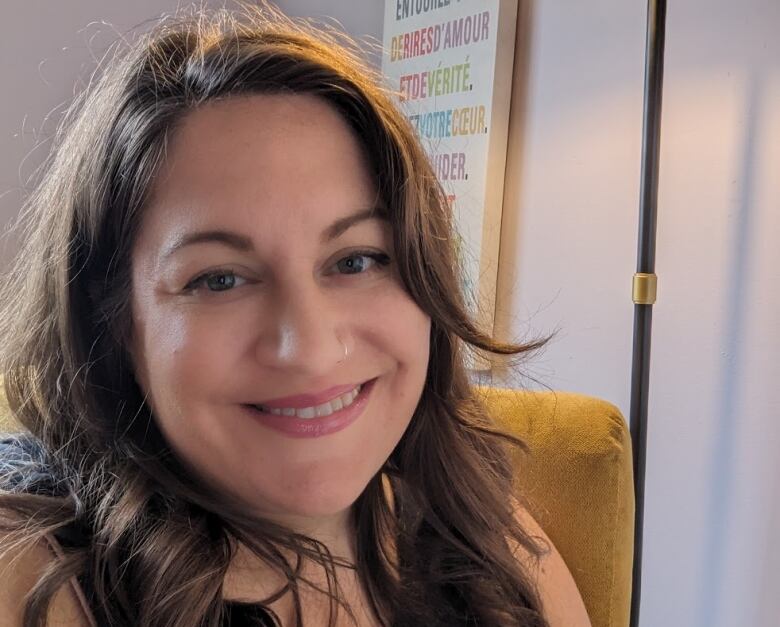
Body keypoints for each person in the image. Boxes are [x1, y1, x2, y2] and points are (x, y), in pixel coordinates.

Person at [0, 3, 592, 626]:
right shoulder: (32, 579)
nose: (310, 348)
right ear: (114, 321)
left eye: (357, 260)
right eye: (219, 279)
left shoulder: (501, 551)